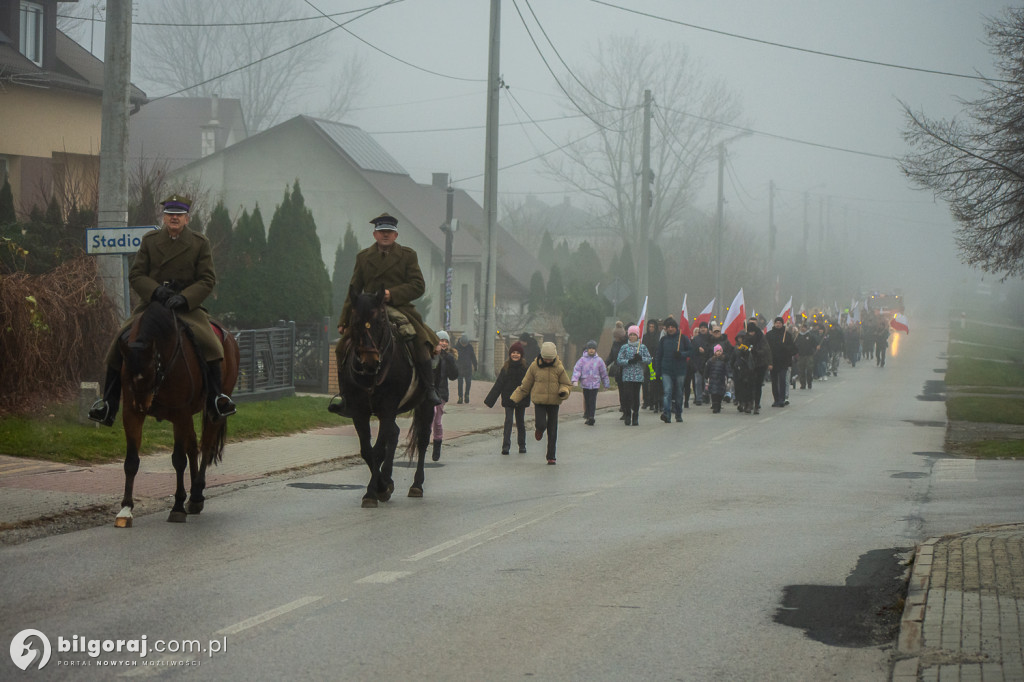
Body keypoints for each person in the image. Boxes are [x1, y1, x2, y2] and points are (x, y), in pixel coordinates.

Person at [89, 194, 235, 426]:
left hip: (186, 307)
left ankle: (216, 399)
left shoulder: (200, 243)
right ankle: (108, 404)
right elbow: (136, 274)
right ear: (164, 217)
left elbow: (207, 279)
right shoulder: (150, 240)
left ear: (187, 218)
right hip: (153, 304)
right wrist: (156, 291)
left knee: (211, 343)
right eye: (169, 214)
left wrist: (185, 298)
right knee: (120, 340)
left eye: (178, 215)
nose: (173, 218)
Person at [333, 213, 441, 416]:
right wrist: (344, 319)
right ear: (375, 234)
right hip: (368, 308)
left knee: (420, 341)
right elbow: (354, 290)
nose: (385, 235)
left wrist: (393, 294)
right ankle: (345, 396)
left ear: (395, 235)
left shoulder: (408, 255)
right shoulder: (363, 257)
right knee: (341, 347)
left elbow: (418, 286)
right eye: (382, 232)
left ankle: (429, 389)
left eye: (389, 232)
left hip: (399, 307)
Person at [511, 342, 571, 464]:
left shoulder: (559, 367)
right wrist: (515, 398)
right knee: (541, 424)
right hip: (539, 401)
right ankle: (539, 429)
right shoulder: (534, 367)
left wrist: (563, 391)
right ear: (542, 356)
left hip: (554, 401)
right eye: (546, 358)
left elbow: (566, 384)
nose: (548, 361)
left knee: (553, 429)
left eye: (550, 359)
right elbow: (526, 384)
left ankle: (551, 456)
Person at [485, 341, 530, 455]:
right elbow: (498, 384)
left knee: (520, 422)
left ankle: (522, 445)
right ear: (510, 354)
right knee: (508, 421)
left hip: (521, 399)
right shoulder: (506, 368)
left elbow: (530, 384)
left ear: (521, 355)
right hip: (508, 399)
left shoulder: (525, 369)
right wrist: (490, 400)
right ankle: (506, 446)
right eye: (513, 352)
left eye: (518, 353)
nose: (515, 355)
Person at [429, 330, 459, 461]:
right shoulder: (430, 355)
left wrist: (451, 361)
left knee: (437, 420)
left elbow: (453, 376)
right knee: (430, 416)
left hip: (441, 392)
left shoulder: (448, 358)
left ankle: (437, 446)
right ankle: (423, 442)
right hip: (429, 391)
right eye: (441, 340)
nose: (444, 343)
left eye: (446, 341)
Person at [654, 316, 689, 423]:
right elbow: (658, 355)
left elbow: (691, 352)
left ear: (676, 328)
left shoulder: (683, 338)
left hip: (680, 371)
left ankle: (678, 413)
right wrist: (657, 370)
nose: (670, 329)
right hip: (666, 370)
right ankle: (667, 414)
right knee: (667, 392)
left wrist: (681, 354)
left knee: (678, 393)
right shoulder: (663, 340)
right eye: (668, 327)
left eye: (672, 327)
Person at [616, 325, 653, 426]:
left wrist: (641, 358)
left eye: (634, 335)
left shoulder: (642, 347)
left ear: (637, 336)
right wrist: (628, 361)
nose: (632, 337)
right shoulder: (624, 347)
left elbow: (649, 359)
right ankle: (627, 414)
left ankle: (635, 415)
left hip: (638, 376)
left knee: (636, 397)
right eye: (630, 335)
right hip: (627, 376)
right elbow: (619, 360)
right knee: (627, 396)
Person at [571, 340, 609, 426]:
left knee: (592, 400)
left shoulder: (599, 360)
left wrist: (605, 383)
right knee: (587, 400)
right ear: (587, 349)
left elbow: (603, 373)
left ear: (595, 350)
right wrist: (575, 380)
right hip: (585, 384)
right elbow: (577, 370)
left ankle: (591, 416)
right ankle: (587, 415)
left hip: (595, 384)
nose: (591, 350)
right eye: (590, 348)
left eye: (593, 348)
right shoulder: (582, 360)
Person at [765, 316, 796, 407]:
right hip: (773, 362)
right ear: (774, 324)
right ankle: (776, 399)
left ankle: (782, 399)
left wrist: (785, 347)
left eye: (780, 323)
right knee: (774, 382)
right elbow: (766, 349)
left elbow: (794, 349)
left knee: (782, 380)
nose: (778, 324)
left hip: (784, 362)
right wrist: (768, 362)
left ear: (782, 324)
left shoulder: (787, 335)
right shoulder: (769, 335)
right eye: (776, 323)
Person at [746, 319, 771, 414]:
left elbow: (766, 349)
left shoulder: (761, 338)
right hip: (749, 365)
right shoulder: (746, 337)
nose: (751, 333)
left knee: (758, 385)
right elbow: (742, 347)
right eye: (749, 332)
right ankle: (749, 403)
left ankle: (757, 404)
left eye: (752, 331)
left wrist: (756, 352)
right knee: (749, 385)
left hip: (760, 364)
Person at [686, 321, 713, 407]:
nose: (703, 329)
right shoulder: (696, 339)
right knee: (698, 381)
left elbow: (713, 349)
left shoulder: (711, 338)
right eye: (701, 328)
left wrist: (705, 350)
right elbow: (692, 351)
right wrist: (698, 350)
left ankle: (707, 396)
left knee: (707, 382)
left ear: (707, 328)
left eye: (704, 327)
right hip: (698, 363)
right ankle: (699, 398)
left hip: (708, 363)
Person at [605, 320, 628, 421]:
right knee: (621, 391)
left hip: (626, 370)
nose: (616, 339)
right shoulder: (615, 344)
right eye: (615, 337)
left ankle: (627, 409)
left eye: (617, 337)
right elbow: (611, 356)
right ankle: (623, 408)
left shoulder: (627, 344)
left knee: (627, 391)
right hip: (618, 370)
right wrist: (604, 364)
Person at [730, 331, 755, 414]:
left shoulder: (750, 347)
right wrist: (733, 367)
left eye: (743, 338)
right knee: (739, 388)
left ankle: (749, 404)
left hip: (748, 371)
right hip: (738, 370)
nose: (741, 339)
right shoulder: (735, 348)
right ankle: (741, 402)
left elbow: (752, 358)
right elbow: (732, 360)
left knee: (748, 388)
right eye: (739, 338)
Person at [704, 344, 731, 413]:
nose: (718, 352)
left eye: (720, 351)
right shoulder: (711, 360)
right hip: (713, 379)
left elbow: (727, 369)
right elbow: (707, 369)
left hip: (721, 379)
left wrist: (729, 377)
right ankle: (715, 406)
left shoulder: (724, 361)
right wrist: (706, 376)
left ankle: (718, 404)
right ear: (714, 352)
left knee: (720, 393)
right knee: (713, 394)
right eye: (717, 351)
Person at [641, 319, 661, 411]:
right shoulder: (645, 337)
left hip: (654, 362)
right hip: (646, 362)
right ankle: (646, 401)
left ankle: (653, 402)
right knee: (645, 382)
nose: (651, 328)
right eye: (649, 326)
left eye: (653, 327)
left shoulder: (658, 336)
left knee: (653, 382)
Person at [794, 322, 820, 390]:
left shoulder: (810, 335)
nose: (803, 329)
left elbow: (815, 343)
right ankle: (802, 384)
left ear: (806, 328)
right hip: (801, 356)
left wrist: (817, 346)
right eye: (802, 327)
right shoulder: (798, 336)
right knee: (801, 370)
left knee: (809, 369)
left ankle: (809, 383)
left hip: (809, 355)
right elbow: (794, 345)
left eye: (804, 327)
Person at [454, 335, 477, 403]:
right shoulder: (456, 347)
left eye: (465, 344)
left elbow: (473, 357)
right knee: (460, 383)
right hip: (459, 368)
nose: (464, 345)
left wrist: (475, 366)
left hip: (468, 368)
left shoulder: (470, 347)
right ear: (460, 342)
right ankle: (460, 397)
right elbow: (453, 358)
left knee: (468, 382)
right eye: (463, 344)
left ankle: (467, 395)